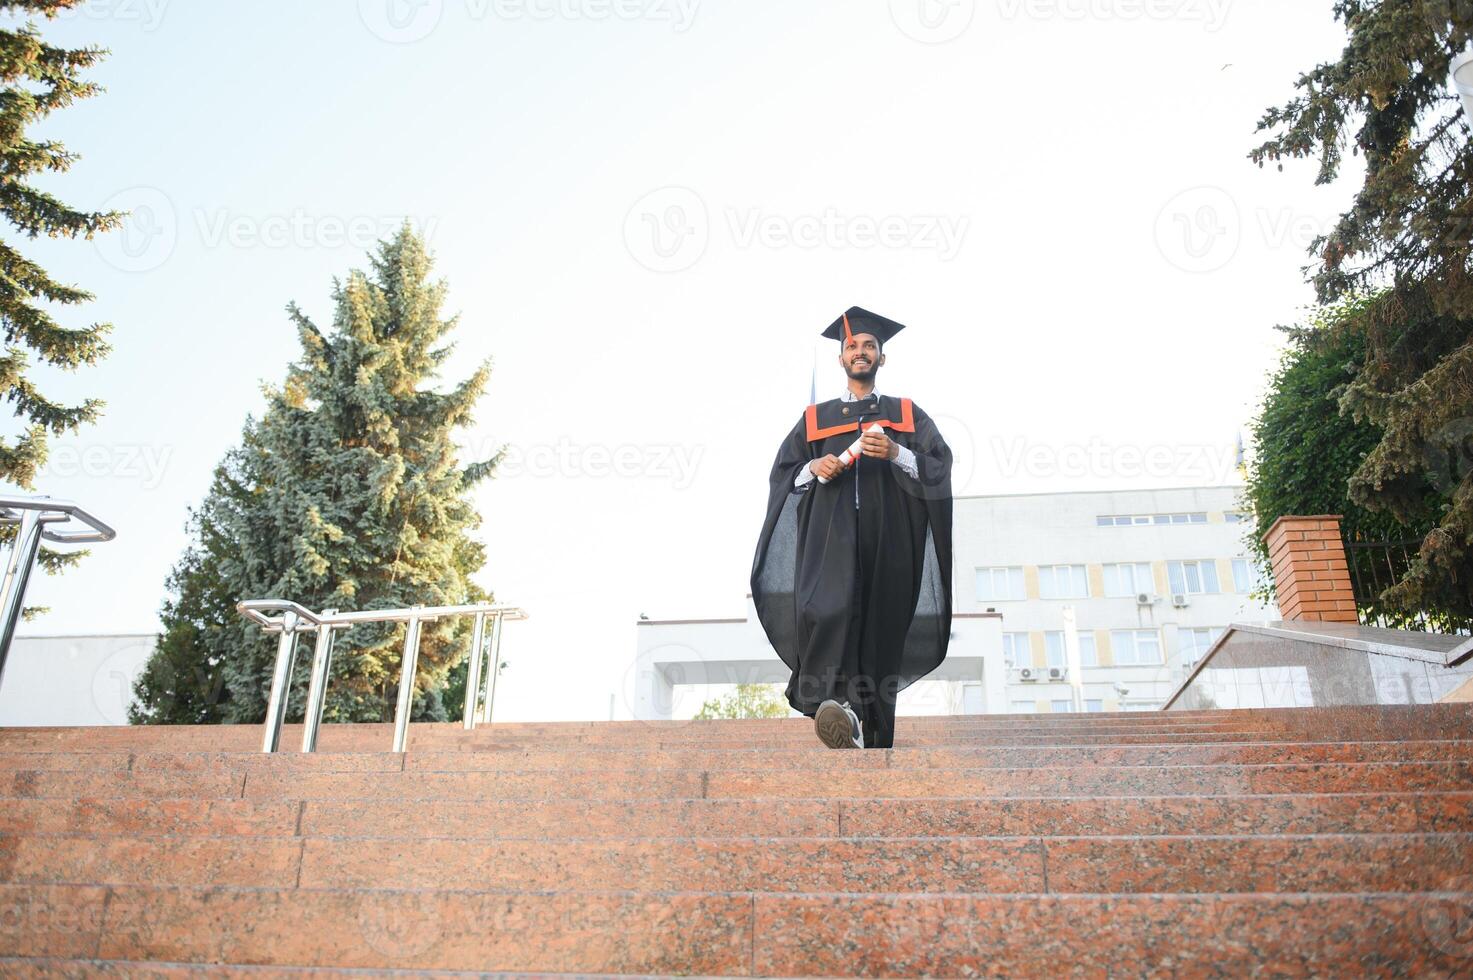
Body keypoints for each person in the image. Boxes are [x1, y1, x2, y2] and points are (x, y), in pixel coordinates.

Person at [750, 306, 953, 749]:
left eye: (869, 346)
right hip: (831, 541)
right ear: (841, 358)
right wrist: (812, 466)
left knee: (879, 631)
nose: (860, 352)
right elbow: (784, 474)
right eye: (851, 347)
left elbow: (940, 466)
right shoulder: (816, 420)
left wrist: (897, 453)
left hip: (889, 541)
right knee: (826, 610)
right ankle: (837, 707)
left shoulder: (906, 414)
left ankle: (868, 734)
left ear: (882, 358)